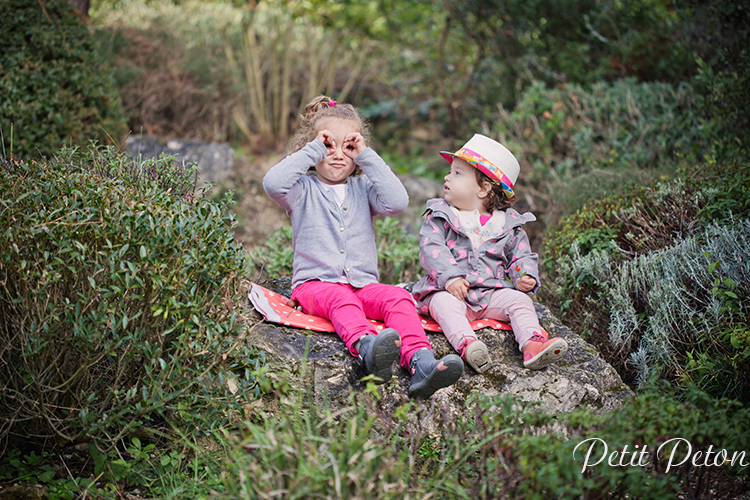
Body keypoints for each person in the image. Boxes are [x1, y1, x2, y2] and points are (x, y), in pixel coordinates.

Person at [263, 95, 463, 398]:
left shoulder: (364, 189)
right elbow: (272, 183)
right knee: (341, 300)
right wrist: (314, 148)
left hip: (363, 283)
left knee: (397, 297)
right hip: (316, 286)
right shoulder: (301, 190)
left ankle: (420, 362)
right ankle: (367, 348)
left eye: (349, 146)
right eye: (329, 145)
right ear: (313, 146)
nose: (338, 154)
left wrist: (367, 156)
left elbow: (398, 202)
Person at [411, 134, 568, 373]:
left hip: (490, 293)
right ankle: (468, 344)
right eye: (451, 171)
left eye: (457, 173)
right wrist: (450, 277)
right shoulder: (441, 215)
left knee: (520, 301)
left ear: (483, 189)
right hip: (450, 291)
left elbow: (520, 255)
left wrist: (524, 274)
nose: (447, 177)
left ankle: (532, 344)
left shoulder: (507, 224)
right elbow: (432, 248)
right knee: (442, 305)